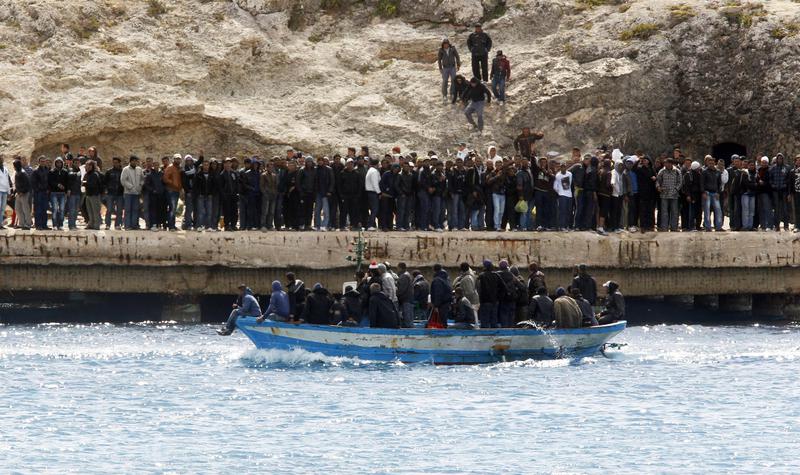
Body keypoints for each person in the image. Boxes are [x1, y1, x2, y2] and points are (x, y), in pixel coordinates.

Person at [656, 158, 682, 232]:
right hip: (664, 195)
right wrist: (658, 187)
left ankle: (674, 227)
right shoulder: (662, 171)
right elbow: (658, 181)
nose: (665, 164)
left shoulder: (677, 171)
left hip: (674, 195)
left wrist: (676, 189)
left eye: (667, 163)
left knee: (674, 212)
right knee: (664, 212)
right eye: (665, 163)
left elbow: (680, 182)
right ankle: (664, 228)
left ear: (671, 164)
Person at [121, 155, 144, 230]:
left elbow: (142, 179)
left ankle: (134, 225)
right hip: (128, 193)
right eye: (133, 161)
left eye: (136, 161)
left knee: (135, 209)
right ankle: (127, 226)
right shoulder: (125, 169)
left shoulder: (139, 169)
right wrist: (131, 187)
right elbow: (123, 180)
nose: (135, 162)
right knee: (127, 210)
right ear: (130, 161)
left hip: (137, 193)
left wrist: (140, 186)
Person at [48, 157, 69, 230]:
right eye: (57, 162)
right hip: (54, 193)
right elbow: (50, 182)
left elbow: (67, 182)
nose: (59, 164)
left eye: (60, 162)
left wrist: (67, 190)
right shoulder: (52, 171)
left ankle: (60, 225)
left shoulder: (65, 171)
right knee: (54, 209)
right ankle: (54, 225)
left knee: (62, 209)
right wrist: (58, 184)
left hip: (62, 194)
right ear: (55, 163)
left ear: (62, 163)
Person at [437, 38, 461, 102]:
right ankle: (444, 95)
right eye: (444, 44)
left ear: (448, 44)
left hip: (452, 67)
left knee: (453, 80)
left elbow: (457, 56)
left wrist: (458, 65)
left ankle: (452, 93)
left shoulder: (452, 49)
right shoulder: (441, 50)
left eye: (447, 44)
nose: (446, 45)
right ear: (443, 44)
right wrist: (440, 68)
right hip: (445, 68)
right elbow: (439, 60)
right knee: (445, 81)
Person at [30, 156, 50, 230]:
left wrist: (48, 189)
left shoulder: (47, 170)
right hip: (38, 193)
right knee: (38, 209)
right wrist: (37, 190)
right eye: (41, 161)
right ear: (39, 162)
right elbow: (33, 183)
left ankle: (44, 225)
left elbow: (48, 181)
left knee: (44, 209)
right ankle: (38, 225)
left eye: (44, 161)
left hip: (45, 192)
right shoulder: (35, 171)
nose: (43, 162)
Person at [104, 157, 125, 230]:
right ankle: (107, 224)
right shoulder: (109, 171)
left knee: (119, 210)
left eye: (116, 162)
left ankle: (118, 224)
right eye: (114, 162)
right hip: (110, 193)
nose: (115, 164)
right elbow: (105, 182)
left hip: (120, 193)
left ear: (119, 163)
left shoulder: (123, 171)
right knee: (109, 210)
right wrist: (106, 190)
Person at [83, 160, 103, 230]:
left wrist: (85, 183)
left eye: (88, 165)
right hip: (88, 194)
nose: (87, 167)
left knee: (95, 211)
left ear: (92, 166)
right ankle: (91, 224)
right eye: (86, 165)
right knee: (89, 211)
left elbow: (93, 185)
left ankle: (96, 225)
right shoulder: (86, 174)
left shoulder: (95, 174)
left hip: (94, 195)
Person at [496, 259, 517, 327]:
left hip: (503, 298)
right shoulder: (512, 275)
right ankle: (511, 329)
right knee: (511, 316)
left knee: (503, 315)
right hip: (512, 298)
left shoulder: (497, 274)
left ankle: (505, 330)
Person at [12, 159, 32, 230]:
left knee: (25, 209)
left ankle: (28, 224)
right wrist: (15, 192)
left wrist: (22, 192)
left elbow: (28, 184)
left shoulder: (23, 173)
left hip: (24, 193)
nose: (13, 167)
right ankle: (22, 224)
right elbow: (17, 184)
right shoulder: (17, 173)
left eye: (14, 165)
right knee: (17, 209)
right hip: (18, 193)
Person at [396, 262, 414, 327]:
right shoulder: (407, 275)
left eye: (397, 268)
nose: (397, 270)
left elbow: (401, 289)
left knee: (407, 320)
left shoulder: (404, 276)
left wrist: (396, 295)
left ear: (400, 268)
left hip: (405, 301)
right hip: (408, 300)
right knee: (409, 319)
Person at [0, 156, 10, 229]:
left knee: (3, 208)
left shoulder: (5, 169)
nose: (1, 160)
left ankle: (1, 224)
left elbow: (7, 180)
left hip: (5, 191)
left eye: (2, 158)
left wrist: (9, 191)